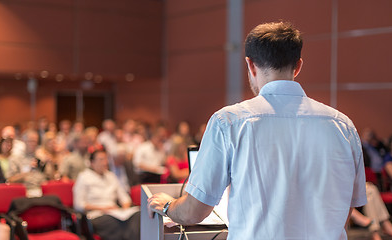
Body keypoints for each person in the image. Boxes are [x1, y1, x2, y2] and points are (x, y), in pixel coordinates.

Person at [147, 21, 366, 239]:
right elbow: (345, 209)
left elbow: (193, 211)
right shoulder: (343, 125)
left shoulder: (229, 122)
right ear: (298, 66)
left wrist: (168, 205)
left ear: (250, 65)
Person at [73, 149, 140, 240]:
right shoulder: (84, 177)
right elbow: (79, 205)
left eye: (106, 159)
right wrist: (103, 208)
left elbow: (124, 198)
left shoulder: (111, 176)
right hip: (97, 215)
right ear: (92, 163)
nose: (105, 162)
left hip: (115, 213)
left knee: (137, 215)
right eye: (101, 160)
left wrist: (125, 208)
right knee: (117, 223)